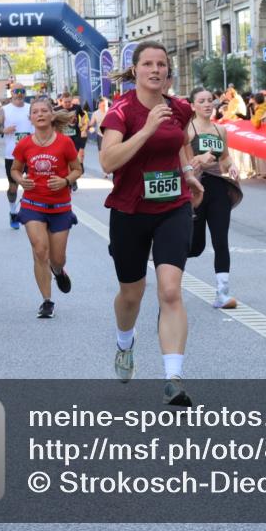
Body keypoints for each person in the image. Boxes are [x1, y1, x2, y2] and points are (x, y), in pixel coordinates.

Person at [99, 41, 204, 406]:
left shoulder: (179, 108)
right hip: (130, 211)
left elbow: (178, 143)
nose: (156, 70)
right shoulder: (120, 112)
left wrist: (188, 172)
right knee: (132, 293)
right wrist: (143, 131)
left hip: (172, 207)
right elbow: (108, 162)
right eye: (148, 64)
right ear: (136, 70)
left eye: (162, 64)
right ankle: (124, 343)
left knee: (171, 289)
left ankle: (173, 377)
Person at [9, 98, 82, 318]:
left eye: (44, 111)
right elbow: (15, 169)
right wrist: (21, 181)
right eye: (35, 112)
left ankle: (58, 271)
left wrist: (65, 181)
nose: (40, 114)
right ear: (30, 118)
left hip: (60, 206)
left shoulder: (64, 143)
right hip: (33, 204)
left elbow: (77, 169)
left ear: (51, 115)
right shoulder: (24, 144)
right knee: (40, 251)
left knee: (57, 258)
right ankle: (47, 301)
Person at [188, 86, 242, 309]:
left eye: (210, 100)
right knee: (195, 246)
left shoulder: (220, 130)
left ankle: (222, 293)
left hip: (219, 188)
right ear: (192, 106)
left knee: (221, 240)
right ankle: (160, 254)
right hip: (195, 188)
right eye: (201, 101)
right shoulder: (187, 130)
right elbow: (182, 161)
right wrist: (198, 159)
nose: (208, 104)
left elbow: (226, 158)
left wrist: (233, 167)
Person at [0, 83, 33, 229]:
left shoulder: (31, 108)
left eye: (22, 91)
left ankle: (32, 212)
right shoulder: (4, 110)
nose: (19, 93)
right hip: (13, 155)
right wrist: (4, 129)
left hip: (32, 154)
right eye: (16, 91)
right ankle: (13, 211)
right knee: (13, 187)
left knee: (33, 185)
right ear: (12, 93)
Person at [56, 93, 88, 190]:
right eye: (65, 102)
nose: (67, 104)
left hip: (75, 137)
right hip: (62, 139)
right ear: (62, 101)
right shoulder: (57, 109)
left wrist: (82, 122)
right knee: (65, 160)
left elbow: (83, 115)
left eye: (69, 102)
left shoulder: (77, 107)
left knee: (73, 159)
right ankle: (71, 180)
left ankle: (72, 179)